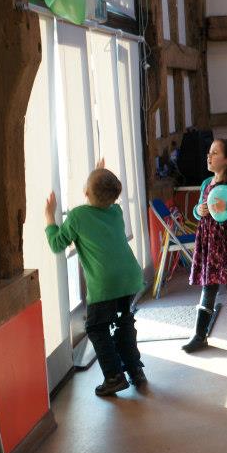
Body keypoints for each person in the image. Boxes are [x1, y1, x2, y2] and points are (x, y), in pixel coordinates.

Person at [44, 160, 145, 397]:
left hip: (105, 283)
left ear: (86, 192)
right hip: (129, 277)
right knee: (124, 323)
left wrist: (50, 218)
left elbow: (58, 244)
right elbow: (101, 199)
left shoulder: (78, 216)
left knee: (97, 328)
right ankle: (135, 370)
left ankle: (113, 377)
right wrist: (100, 176)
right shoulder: (116, 211)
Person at [182, 139, 227, 353]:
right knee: (209, 285)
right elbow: (198, 209)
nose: (209, 156)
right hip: (210, 243)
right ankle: (200, 335)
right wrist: (198, 211)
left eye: (214, 153)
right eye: (209, 152)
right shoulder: (206, 183)